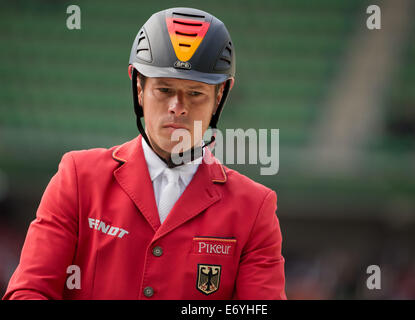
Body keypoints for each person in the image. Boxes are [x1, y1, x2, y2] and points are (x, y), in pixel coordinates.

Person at [3, 7, 286, 300]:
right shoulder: (77, 178)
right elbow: (29, 291)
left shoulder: (254, 209)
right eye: (164, 90)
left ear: (219, 97)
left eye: (195, 93)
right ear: (139, 87)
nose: (178, 107)